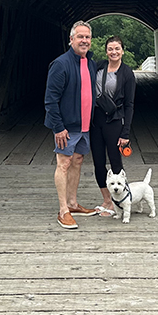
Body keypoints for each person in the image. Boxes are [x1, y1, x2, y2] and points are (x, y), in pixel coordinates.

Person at [44, 20, 99, 229]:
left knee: (77, 161)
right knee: (64, 164)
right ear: (71, 39)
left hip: (85, 126)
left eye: (87, 37)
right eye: (80, 37)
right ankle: (63, 210)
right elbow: (50, 99)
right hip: (67, 126)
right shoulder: (61, 64)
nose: (84, 41)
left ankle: (73, 203)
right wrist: (58, 127)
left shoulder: (90, 63)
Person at [89, 36, 137, 217]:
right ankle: (106, 200)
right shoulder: (98, 66)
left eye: (117, 48)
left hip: (115, 120)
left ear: (123, 50)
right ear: (106, 51)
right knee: (98, 162)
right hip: (96, 120)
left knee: (115, 161)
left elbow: (129, 105)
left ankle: (120, 201)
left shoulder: (127, 73)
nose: (114, 52)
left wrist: (126, 133)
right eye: (110, 49)